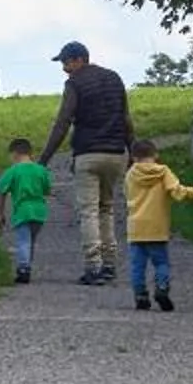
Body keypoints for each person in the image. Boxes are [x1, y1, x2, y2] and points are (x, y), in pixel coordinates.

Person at [39, 41, 135, 285]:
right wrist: (132, 152)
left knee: (89, 211)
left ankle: (94, 267)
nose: (64, 68)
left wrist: (44, 159)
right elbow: (126, 118)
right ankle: (110, 264)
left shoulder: (74, 83)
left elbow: (63, 122)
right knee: (107, 208)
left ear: (79, 59)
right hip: (116, 153)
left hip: (88, 154)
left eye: (66, 62)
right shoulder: (114, 78)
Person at [122, 138, 193, 313]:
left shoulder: (130, 174)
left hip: (136, 227)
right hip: (157, 227)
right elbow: (177, 191)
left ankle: (140, 295)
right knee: (161, 263)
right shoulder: (163, 172)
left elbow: (127, 195)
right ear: (156, 155)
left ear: (133, 157)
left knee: (137, 265)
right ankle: (161, 288)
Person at [0, 137, 51, 285]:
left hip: (22, 211)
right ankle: (27, 264)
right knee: (30, 240)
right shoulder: (41, 170)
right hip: (39, 212)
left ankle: (23, 269)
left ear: (15, 154)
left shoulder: (13, 171)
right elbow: (47, 189)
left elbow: (0, 191)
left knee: (23, 240)